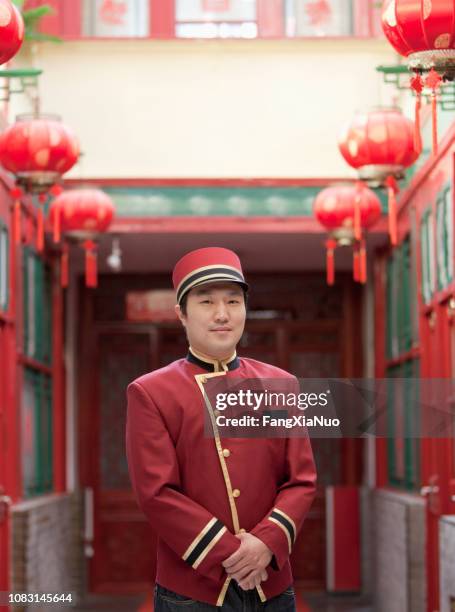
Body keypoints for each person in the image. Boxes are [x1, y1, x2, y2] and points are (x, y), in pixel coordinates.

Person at [126, 247, 317, 611]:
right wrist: (233, 555)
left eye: (233, 300)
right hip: (191, 591)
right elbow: (157, 492)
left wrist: (264, 544)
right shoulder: (151, 392)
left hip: (271, 583)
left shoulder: (281, 385)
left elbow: (301, 480)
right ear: (181, 313)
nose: (221, 314)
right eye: (206, 302)